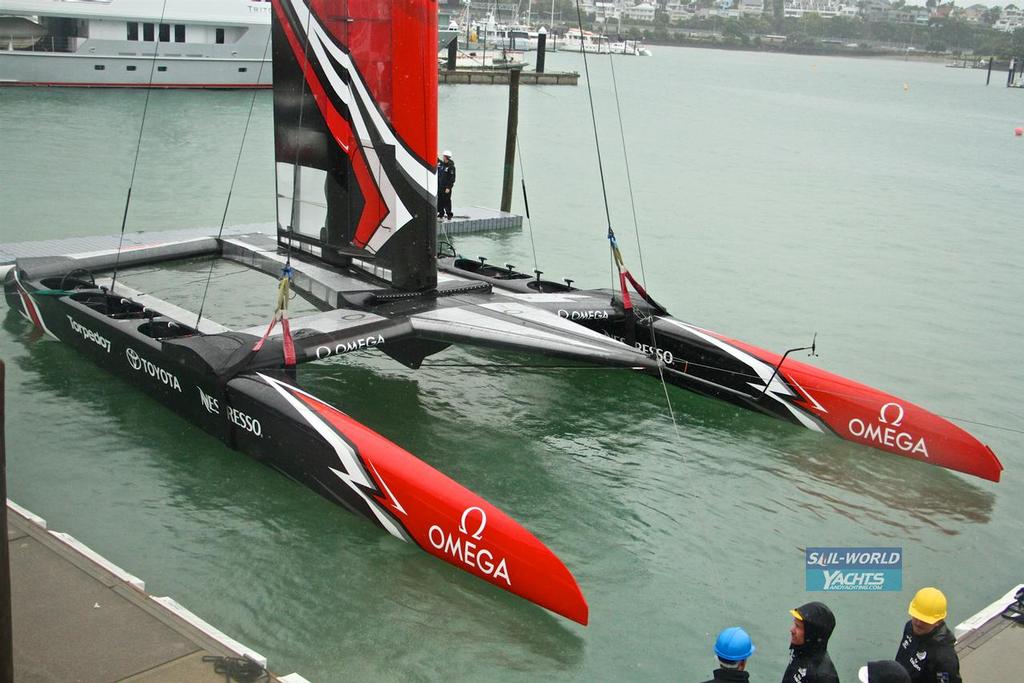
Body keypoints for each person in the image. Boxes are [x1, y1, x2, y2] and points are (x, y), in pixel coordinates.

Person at [894, 587, 961, 683]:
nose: (918, 623)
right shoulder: (910, 627)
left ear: (938, 621)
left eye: (924, 621)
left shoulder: (944, 659)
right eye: (916, 616)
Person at [782, 602, 839, 683]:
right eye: (794, 624)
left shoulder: (822, 678)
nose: (792, 630)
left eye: (798, 626)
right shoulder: (802, 650)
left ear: (811, 634)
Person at [436, 150, 456, 220]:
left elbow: (452, 178)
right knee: (440, 200)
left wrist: (448, 187)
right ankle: (441, 213)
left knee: (447, 201)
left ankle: (449, 214)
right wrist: (435, 155)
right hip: (440, 187)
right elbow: (438, 161)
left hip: (446, 188)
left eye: (444, 156)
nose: (443, 157)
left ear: (446, 157)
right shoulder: (442, 165)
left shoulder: (451, 167)